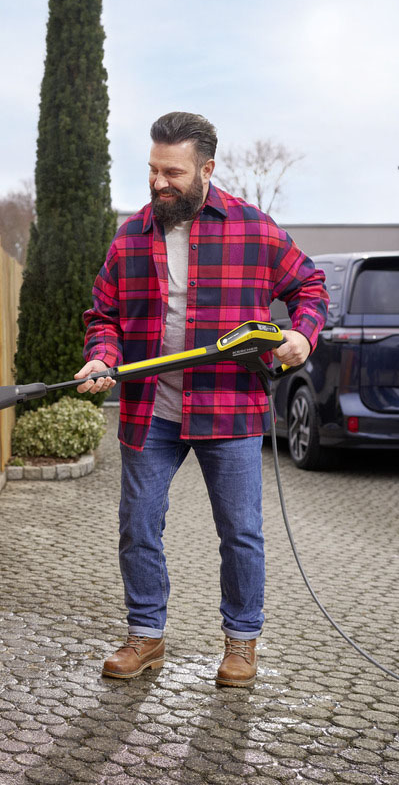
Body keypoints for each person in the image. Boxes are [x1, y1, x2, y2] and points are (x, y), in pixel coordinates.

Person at [75, 112, 329, 687]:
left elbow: (309, 286)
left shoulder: (253, 230)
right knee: (138, 524)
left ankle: (241, 643)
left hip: (229, 407)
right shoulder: (130, 236)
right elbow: (103, 315)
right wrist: (101, 355)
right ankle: (146, 636)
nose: (159, 182)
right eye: (153, 170)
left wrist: (302, 335)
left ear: (207, 169)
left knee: (240, 532)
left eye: (173, 172)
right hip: (152, 408)